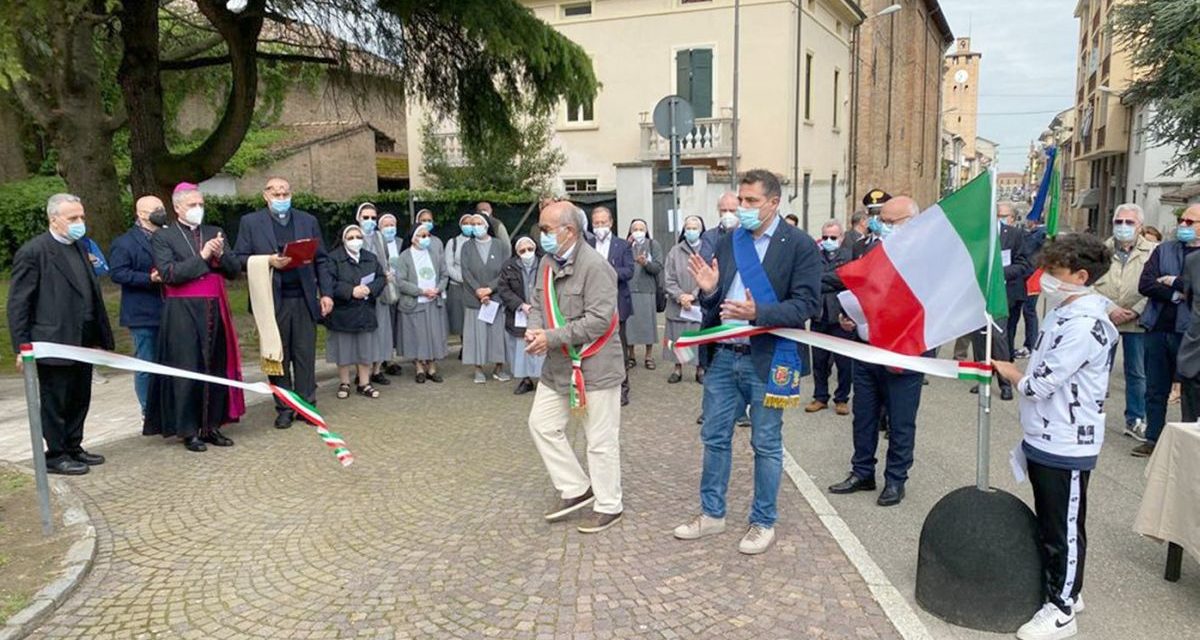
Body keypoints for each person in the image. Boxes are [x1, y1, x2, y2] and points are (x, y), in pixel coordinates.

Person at [673, 169, 821, 555]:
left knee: (766, 443)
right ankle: (712, 514)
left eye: (751, 201)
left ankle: (763, 521)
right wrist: (708, 292)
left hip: (768, 357)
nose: (743, 208)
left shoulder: (799, 245)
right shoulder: (730, 241)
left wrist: (760, 313)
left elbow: (808, 305)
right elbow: (715, 302)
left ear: (773, 202)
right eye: (741, 200)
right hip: (724, 356)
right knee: (714, 437)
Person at [992, 233, 1116, 640]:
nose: (1046, 278)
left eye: (1056, 272)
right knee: (1054, 522)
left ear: (1081, 276)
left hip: (1067, 438)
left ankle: (1062, 607)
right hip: (1045, 434)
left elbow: (1039, 384)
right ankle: (1066, 585)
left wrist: (1010, 371)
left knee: (1062, 527)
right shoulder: (1063, 311)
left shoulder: (1085, 325)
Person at [526, 202, 626, 534]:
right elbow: (538, 302)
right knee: (542, 424)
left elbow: (598, 321)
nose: (541, 236)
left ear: (568, 231)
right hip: (557, 366)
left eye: (545, 229)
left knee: (599, 440)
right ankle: (576, 487)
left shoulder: (596, 267)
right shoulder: (546, 262)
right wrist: (535, 329)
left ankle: (609, 505)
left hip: (595, 367)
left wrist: (550, 337)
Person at [828, 196, 927, 506]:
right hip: (866, 349)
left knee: (900, 421)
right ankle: (862, 472)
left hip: (903, 352)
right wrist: (847, 316)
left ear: (911, 222)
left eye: (889, 221)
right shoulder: (869, 249)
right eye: (880, 220)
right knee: (864, 416)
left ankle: (895, 479)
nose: (882, 226)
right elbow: (857, 288)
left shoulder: (925, 257)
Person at [7, 193, 115, 475]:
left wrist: (100, 337)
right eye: (73, 218)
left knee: (80, 395)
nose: (80, 222)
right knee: (56, 399)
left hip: (83, 337)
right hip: (53, 339)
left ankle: (73, 445)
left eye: (82, 217)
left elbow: (90, 293)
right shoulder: (34, 252)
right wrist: (22, 346)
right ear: (54, 219)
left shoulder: (80, 246)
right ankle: (56, 453)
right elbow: (19, 303)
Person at [144, 183, 243, 453]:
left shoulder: (214, 232)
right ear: (177, 208)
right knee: (187, 368)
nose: (198, 209)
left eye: (201, 204)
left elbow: (234, 271)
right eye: (192, 205)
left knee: (215, 367)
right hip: (182, 311)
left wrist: (221, 255)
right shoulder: (164, 237)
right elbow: (169, 274)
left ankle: (212, 425)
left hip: (214, 308)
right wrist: (203, 256)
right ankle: (189, 430)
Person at [233, 177, 333, 429]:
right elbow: (239, 258)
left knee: (304, 354)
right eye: (276, 194)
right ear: (265, 195)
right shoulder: (250, 222)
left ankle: (307, 405)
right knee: (277, 356)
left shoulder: (307, 221)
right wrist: (268, 260)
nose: (281, 198)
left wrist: (326, 293)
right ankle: (284, 408)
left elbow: (321, 259)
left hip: (303, 299)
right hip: (271, 301)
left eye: (285, 193)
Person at [1132, 204, 1200, 457]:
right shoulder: (1164, 250)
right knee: (1155, 388)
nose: (1183, 225)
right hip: (1158, 327)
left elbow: (1194, 288)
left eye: (1190, 222)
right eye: (1182, 220)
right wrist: (1175, 293)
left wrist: (1173, 281)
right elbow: (1146, 284)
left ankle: (1188, 443)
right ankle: (1153, 438)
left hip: (1190, 334)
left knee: (1191, 390)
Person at [1093, 203, 1155, 441]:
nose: (1123, 226)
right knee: (1098, 369)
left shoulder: (1153, 251)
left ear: (1140, 226)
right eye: (1119, 222)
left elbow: (1155, 285)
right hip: (1105, 318)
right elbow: (1087, 282)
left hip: (1137, 320)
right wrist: (1110, 309)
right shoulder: (1101, 250)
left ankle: (1135, 419)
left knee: (1137, 372)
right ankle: (1091, 413)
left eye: (1129, 222)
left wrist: (1136, 310)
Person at [109, 195, 167, 419]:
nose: (161, 212)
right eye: (156, 209)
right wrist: (148, 278)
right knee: (147, 362)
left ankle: (168, 406)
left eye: (162, 208)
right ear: (141, 214)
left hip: (170, 309)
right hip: (142, 313)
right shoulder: (125, 242)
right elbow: (118, 273)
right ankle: (148, 409)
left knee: (169, 361)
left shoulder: (168, 236)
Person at [967, 201, 1031, 401]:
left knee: (998, 336)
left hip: (1002, 293)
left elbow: (1024, 263)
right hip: (978, 294)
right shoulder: (977, 235)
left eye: (1002, 215)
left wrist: (999, 273)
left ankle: (1005, 383)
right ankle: (983, 377)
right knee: (979, 337)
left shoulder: (1014, 234)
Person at [698, 192, 750, 427]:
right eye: (724, 210)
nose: (728, 214)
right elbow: (707, 264)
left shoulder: (748, 236)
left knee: (742, 364)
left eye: (733, 210)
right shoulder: (711, 236)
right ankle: (709, 410)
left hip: (744, 314)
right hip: (716, 312)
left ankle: (741, 410)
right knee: (715, 367)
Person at [323, 224, 388, 399]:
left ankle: (364, 383)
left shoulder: (370, 257)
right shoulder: (333, 258)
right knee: (343, 350)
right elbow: (329, 282)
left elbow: (381, 278)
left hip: (365, 311)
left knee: (365, 349)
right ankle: (344, 382)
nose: (355, 241)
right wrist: (350, 291)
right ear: (343, 240)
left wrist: (370, 289)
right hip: (343, 311)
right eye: (350, 238)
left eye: (358, 237)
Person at [806, 220, 854, 415]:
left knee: (844, 362)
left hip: (840, 316)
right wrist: (833, 279)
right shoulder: (814, 256)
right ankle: (820, 397)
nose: (828, 241)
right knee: (819, 361)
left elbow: (846, 280)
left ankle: (841, 398)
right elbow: (811, 280)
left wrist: (825, 277)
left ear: (841, 238)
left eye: (833, 237)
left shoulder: (848, 256)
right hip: (819, 315)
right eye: (825, 237)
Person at [589, 206, 634, 405]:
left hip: (617, 303)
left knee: (619, 348)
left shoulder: (622, 245)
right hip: (592, 303)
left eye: (603, 222)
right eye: (596, 223)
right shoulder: (587, 244)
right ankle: (597, 385)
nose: (600, 226)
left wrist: (606, 272)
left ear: (611, 223)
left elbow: (629, 271)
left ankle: (623, 388)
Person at [395, 223, 449, 383]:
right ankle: (419, 368)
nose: (426, 238)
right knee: (417, 336)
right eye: (422, 235)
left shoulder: (435, 254)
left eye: (428, 235)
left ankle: (432, 368)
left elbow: (444, 275)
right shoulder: (404, 256)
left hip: (433, 302)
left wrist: (438, 289)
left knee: (434, 336)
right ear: (413, 238)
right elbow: (400, 281)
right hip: (415, 303)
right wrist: (421, 291)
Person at [462, 213, 511, 383]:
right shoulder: (466, 247)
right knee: (477, 335)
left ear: (486, 225)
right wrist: (478, 290)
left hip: (496, 298)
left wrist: (490, 289)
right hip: (474, 298)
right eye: (472, 224)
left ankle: (499, 367)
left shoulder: (500, 245)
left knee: (497, 334)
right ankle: (478, 369)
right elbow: (465, 272)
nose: (475, 226)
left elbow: (505, 270)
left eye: (478, 223)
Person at [498, 236, 545, 395]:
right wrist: (521, 305)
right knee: (521, 347)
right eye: (522, 250)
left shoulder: (545, 263)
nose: (527, 253)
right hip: (518, 313)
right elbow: (503, 289)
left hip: (541, 311)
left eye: (530, 249)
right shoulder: (508, 267)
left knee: (541, 344)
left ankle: (544, 380)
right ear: (516, 252)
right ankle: (526, 380)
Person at [355, 203, 396, 386]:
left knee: (382, 331)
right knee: (363, 334)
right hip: (361, 292)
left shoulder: (380, 237)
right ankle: (362, 372)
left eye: (373, 217)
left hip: (380, 291)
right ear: (358, 218)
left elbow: (385, 259)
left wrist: (386, 275)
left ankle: (377, 370)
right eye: (366, 217)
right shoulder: (354, 236)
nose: (370, 221)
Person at [664, 215, 706, 384]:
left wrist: (694, 295)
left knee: (698, 336)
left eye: (695, 228)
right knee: (678, 336)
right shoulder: (675, 251)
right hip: (678, 303)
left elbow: (709, 275)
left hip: (698, 303)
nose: (691, 231)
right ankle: (677, 369)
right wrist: (680, 295)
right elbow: (668, 278)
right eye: (688, 228)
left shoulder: (707, 249)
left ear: (701, 230)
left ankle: (700, 370)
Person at [625, 218, 663, 369]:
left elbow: (658, 267)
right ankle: (631, 355)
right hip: (629, 290)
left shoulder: (653, 245)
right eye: (635, 229)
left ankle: (649, 356)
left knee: (648, 325)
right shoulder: (627, 245)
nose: (638, 232)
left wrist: (646, 263)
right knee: (629, 326)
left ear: (646, 231)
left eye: (641, 229)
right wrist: (626, 246)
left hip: (647, 290)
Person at [377, 213, 406, 376]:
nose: (389, 228)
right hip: (384, 289)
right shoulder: (377, 242)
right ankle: (384, 359)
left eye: (392, 225)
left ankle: (391, 357)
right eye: (386, 225)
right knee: (385, 324)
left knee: (396, 324)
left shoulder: (401, 243)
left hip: (400, 288)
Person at [1016, 217, 1049, 359]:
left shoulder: (1040, 234)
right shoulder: (1036, 233)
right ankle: (1030, 344)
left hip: (1032, 276)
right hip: (1030, 275)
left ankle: (1031, 345)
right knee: (1028, 311)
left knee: (1029, 311)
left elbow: (1028, 249)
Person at [444, 213, 474, 340]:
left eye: (471, 223)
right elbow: (448, 266)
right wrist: (463, 279)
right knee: (460, 319)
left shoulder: (477, 242)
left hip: (474, 288)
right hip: (457, 286)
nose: (468, 226)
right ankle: (464, 345)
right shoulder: (453, 242)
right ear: (460, 225)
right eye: (465, 223)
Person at [700, 192, 739, 262]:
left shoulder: (749, 234)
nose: (728, 214)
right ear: (718, 211)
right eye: (724, 210)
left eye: (732, 211)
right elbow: (706, 261)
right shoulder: (709, 237)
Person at [853, 189, 891, 259]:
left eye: (879, 212)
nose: (875, 217)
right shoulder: (859, 245)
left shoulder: (895, 242)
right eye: (872, 213)